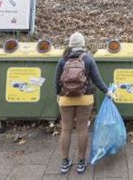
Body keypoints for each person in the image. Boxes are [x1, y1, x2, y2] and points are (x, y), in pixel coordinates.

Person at [55, 32, 112, 175]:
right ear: (83, 44)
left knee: (66, 129)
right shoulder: (88, 59)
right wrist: (108, 92)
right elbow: (97, 80)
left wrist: (58, 94)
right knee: (82, 129)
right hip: (85, 98)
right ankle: (81, 162)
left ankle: (65, 162)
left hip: (65, 98)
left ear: (70, 44)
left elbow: (56, 80)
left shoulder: (63, 59)